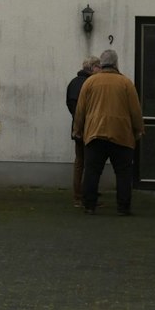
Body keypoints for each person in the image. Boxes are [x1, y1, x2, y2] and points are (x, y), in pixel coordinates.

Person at [72, 49, 143, 215]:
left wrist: (78, 130)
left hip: (95, 133)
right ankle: (123, 207)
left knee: (92, 171)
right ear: (116, 63)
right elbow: (135, 110)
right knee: (123, 172)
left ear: (101, 64)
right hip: (121, 135)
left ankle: (89, 205)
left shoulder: (89, 83)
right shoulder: (126, 83)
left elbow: (80, 110)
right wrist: (139, 129)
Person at [64, 55, 100, 206]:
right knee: (90, 163)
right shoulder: (91, 84)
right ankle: (86, 196)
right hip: (90, 127)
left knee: (80, 162)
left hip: (78, 127)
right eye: (99, 67)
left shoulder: (73, 83)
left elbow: (71, 105)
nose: (100, 70)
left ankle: (78, 195)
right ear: (93, 68)